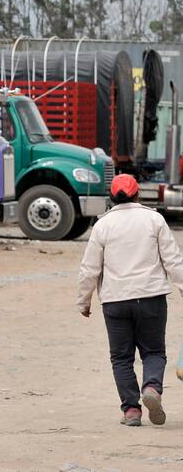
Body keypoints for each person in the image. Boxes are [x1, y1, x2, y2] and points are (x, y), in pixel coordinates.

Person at [78, 173, 183, 426]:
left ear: (112, 198)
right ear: (137, 194)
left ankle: (131, 411)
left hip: (116, 301)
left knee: (121, 358)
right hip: (151, 297)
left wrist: (84, 300)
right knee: (154, 351)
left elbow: (89, 268)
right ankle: (151, 389)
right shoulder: (154, 219)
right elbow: (173, 260)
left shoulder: (103, 225)